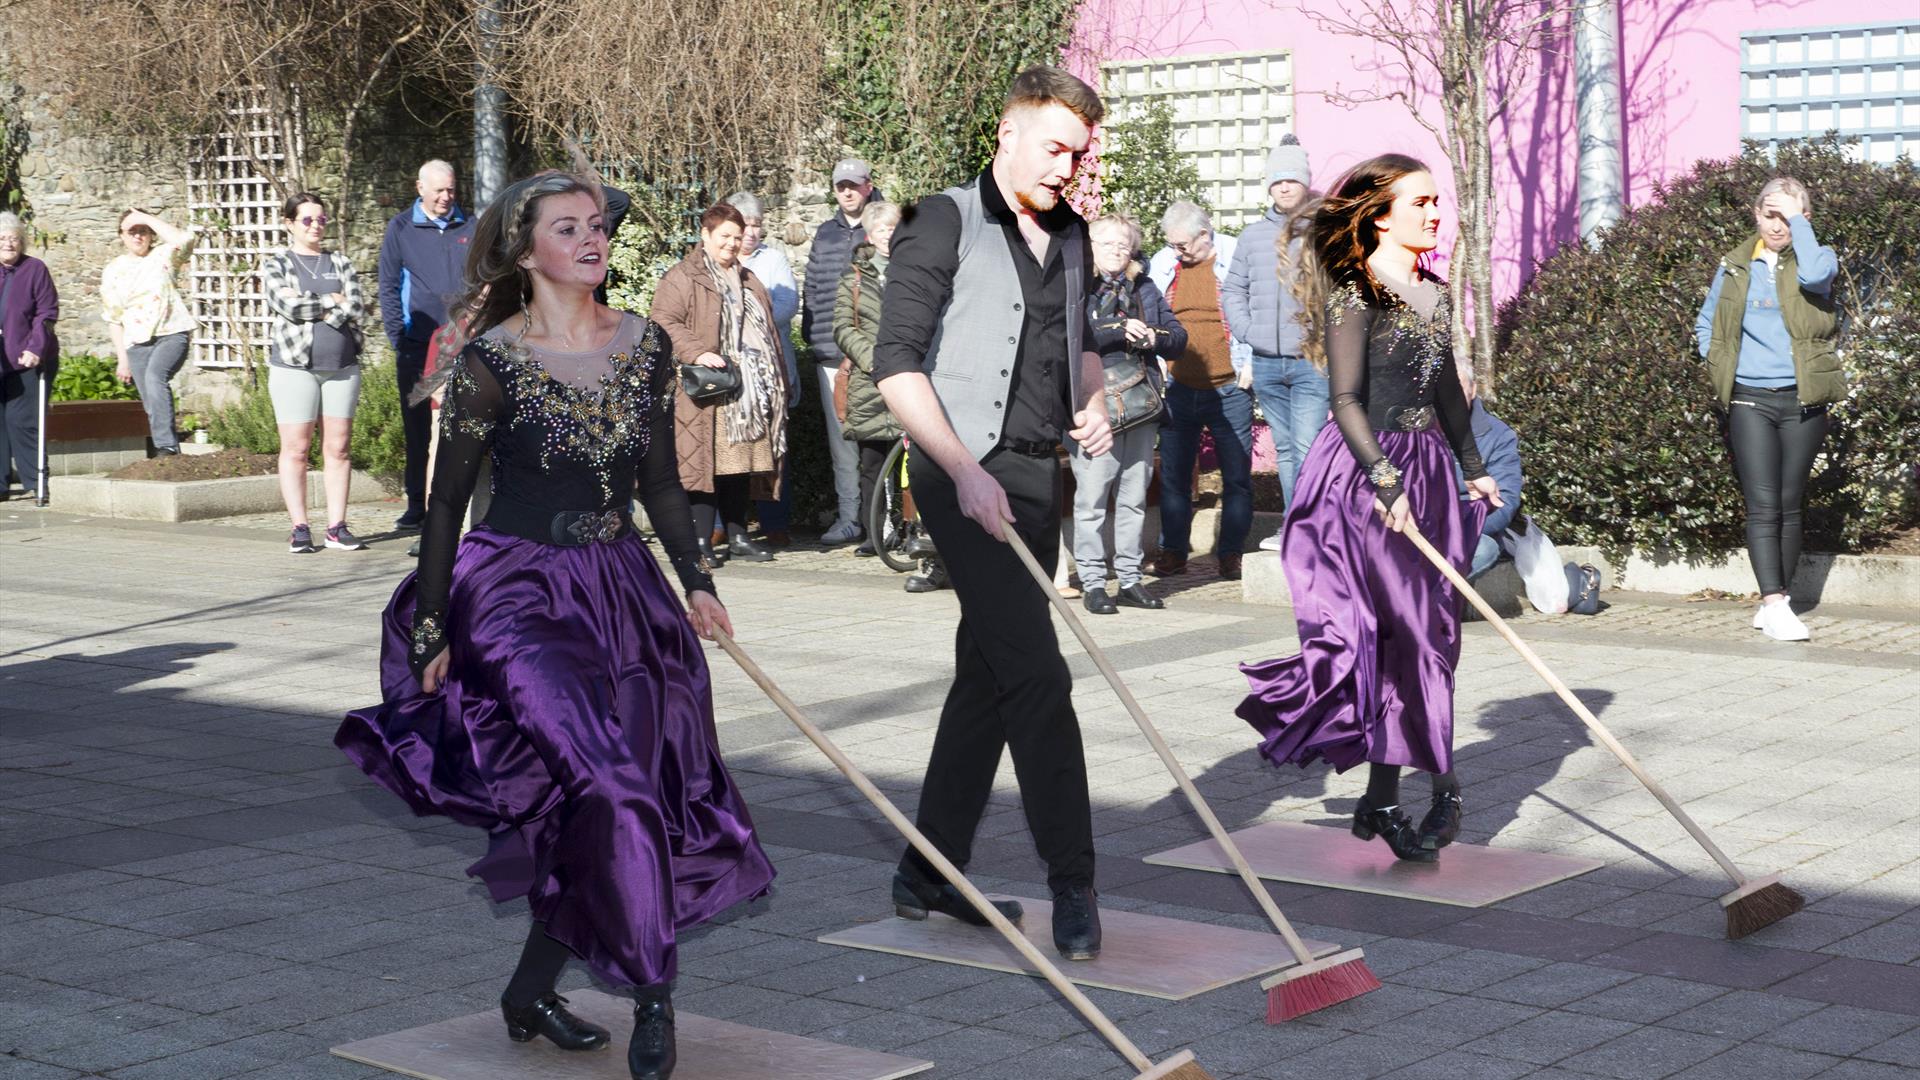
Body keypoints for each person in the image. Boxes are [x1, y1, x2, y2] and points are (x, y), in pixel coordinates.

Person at [336, 172, 773, 1080]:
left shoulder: (647, 347)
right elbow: (445, 505)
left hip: (625, 590)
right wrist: (429, 630)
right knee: (610, 784)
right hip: (515, 595)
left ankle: (531, 989)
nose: (591, 239)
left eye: (596, 227)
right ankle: (654, 995)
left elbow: (659, 481)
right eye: (566, 228)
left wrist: (696, 579)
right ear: (527, 252)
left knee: (626, 794)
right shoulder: (490, 361)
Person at [872, 64, 1112, 960]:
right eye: (1055, 148)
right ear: (1007, 134)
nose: (1066, 169)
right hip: (956, 467)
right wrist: (962, 469)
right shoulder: (942, 219)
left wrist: (1093, 401)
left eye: (1078, 155)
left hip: (1036, 476)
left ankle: (929, 870)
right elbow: (896, 364)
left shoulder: (1076, 235)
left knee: (989, 678)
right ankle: (1074, 884)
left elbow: (1077, 346)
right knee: (1040, 677)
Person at [1235, 154, 1503, 864]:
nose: (1436, 213)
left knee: (1429, 634)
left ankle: (1385, 798)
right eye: (1421, 202)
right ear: (1380, 213)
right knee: (1400, 633)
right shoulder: (1357, 294)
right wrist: (1386, 482)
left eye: (1437, 200)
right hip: (1365, 475)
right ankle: (1440, 786)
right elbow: (1345, 400)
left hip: (1429, 476)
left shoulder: (1435, 294)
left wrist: (1473, 469)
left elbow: (1448, 392)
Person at [1695, 176, 1840, 643]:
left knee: (1788, 503)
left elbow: (1816, 277)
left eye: (1787, 215)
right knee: (1761, 505)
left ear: (1804, 219)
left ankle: (1777, 601)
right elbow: (1707, 320)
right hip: (1748, 397)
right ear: (1755, 216)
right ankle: (1774, 602)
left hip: (1802, 398)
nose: (1777, 224)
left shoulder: (1818, 258)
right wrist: (1717, 359)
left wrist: (1799, 222)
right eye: (1769, 214)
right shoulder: (1736, 265)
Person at [652, 203, 788, 569]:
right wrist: (697, 352)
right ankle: (699, 541)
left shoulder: (746, 276)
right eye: (724, 236)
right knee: (703, 464)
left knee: (739, 464)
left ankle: (739, 535)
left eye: (737, 237)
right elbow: (662, 320)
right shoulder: (683, 276)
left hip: (747, 388)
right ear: (705, 235)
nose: (731, 243)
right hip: (708, 387)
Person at [1074, 213, 1185, 614]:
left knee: (1134, 497)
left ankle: (1131, 579)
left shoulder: (1145, 288)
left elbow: (1179, 338)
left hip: (1139, 405)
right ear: (1091, 246)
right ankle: (1092, 581)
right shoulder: (1075, 285)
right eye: (1107, 244)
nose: (1117, 252)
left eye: (1124, 245)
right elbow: (1071, 336)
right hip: (1092, 403)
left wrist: (1154, 334)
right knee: (1092, 497)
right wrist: (1120, 329)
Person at [1224, 135, 1328, 542]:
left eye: (1292, 180)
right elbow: (1233, 290)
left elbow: (1345, 289)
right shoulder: (1251, 236)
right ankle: (1295, 525)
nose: (1284, 187)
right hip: (1266, 363)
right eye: (1276, 180)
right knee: (1284, 449)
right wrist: (1249, 332)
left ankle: (1313, 528)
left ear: (1305, 182)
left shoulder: (1326, 231)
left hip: (1312, 363)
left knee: (1307, 448)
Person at [1148, 201, 1253, 580]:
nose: (1177, 251)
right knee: (1175, 477)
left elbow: (1253, 310)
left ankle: (1231, 554)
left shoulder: (1237, 255)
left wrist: (1251, 364)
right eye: (1173, 244)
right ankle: (1173, 551)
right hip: (1177, 387)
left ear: (1205, 236)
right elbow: (1153, 315)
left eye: (1183, 244)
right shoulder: (1164, 262)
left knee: (1237, 477)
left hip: (1229, 388)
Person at [258, 192, 368, 554]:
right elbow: (287, 304)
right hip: (294, 367)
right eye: (306, 220)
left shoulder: (340, 262)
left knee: (338, 448)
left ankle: (337, 526)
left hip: (342, 365)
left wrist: (321, 307)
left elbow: (357, 308)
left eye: (320, 220)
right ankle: (300, 527)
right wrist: (330, 301)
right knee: (296, 449)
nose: (315, 226)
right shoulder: (277, 264)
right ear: (289, 223)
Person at [378, 159, 475, 531]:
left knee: (459, 426)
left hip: (462, 345)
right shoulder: (400, 227)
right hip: (418, 345)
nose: (446, 197)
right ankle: (417, 505)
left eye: (451, 190)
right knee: (419, 429)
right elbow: (388, 287)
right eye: (439, 191)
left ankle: (455, 505)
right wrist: (398, 339)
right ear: (420, 188)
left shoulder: (470, 224)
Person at [803, 158, 884, 545]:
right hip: (831, 353)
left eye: (854, 184)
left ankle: (884, 526)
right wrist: (816, 340)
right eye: (840, 186)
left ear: (869, 185)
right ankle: (851, 517)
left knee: (882, 440)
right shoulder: (825, 234)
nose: (847, 192)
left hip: (876, 354)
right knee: (843, 444)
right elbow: (813, 292)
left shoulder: (887, 226)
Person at [729, 191, 801, 546]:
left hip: (772, 366)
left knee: (774, 446)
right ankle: (729, 524)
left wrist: (750, 321)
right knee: (733, 447)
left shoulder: (773, 260)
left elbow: (788, 303)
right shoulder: (718, 260)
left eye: (758, 224)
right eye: (747, 224)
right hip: (734, 370)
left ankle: (775, 521)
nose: (753, 232)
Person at [831, 202, 905, 551]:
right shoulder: (853, 279)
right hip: (869, 381)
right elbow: (843, 327)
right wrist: (872, 359)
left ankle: (909, 532)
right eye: (882, 230)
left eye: (893, 227)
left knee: (911, 467)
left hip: (909, 379)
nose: (889, 235)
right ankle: (872, 534)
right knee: (872, 464)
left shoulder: (916, 271)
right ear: (869, 236)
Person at [101, 208, 197, 456]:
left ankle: (166, 447)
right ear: (121, 236)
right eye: (131, 232)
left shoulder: (164, 255)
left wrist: (145, 218)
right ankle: (165, 452)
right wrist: (122, 359)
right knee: (151, 401)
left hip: (171, 332)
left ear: (151, 234)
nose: (138, 237)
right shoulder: (114, 269)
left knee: (156, 378)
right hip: (137, 342)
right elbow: (114, 317)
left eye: (143, 232)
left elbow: (186, 240)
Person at [0, 212, 57, 504]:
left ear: (22, 242)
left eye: (14, 238)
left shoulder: (35, 269)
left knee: (22, 420)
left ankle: (37, 481)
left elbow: (46, 314)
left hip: (26, 358)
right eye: (2, 239)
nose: (8, 244)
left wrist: (35, 347)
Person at [1456, 365, 1521, 579]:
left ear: (1473, 389)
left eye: (1459, 387)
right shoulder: (1419, 430)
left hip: (1470, 528)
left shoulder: (1499, 435)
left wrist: (1461, 530)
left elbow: (1506, 501)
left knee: (1484, 550)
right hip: (1422, 524)